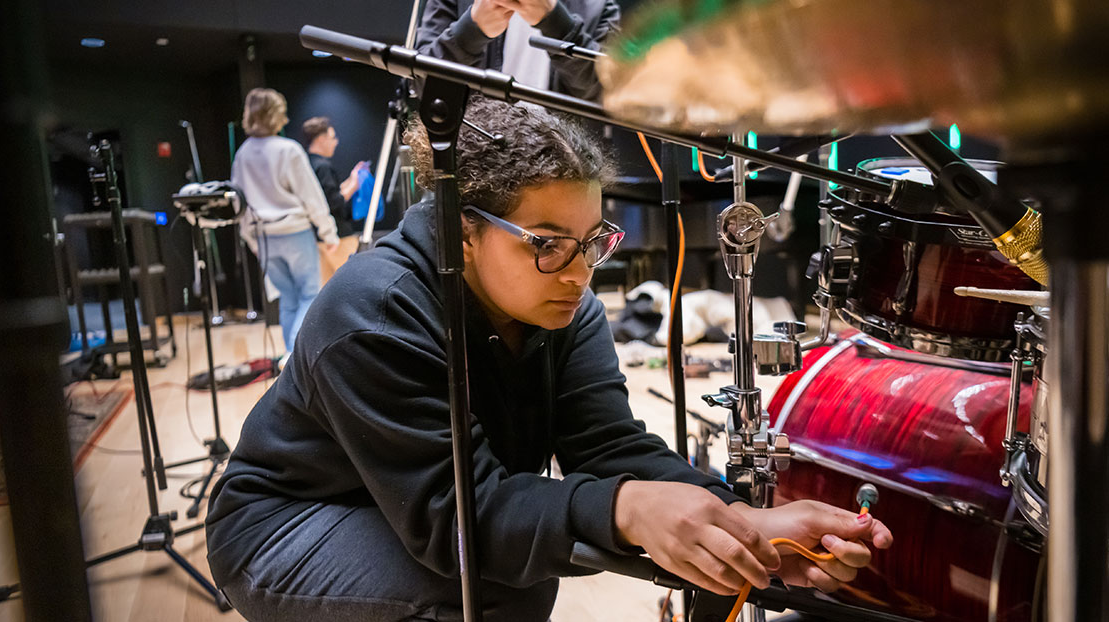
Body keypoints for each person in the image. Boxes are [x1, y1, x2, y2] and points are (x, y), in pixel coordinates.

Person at [206, 97, 891, 622]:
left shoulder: (565, 302)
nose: (579, 273)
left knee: (517, 578)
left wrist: (743, 520)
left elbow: (606, 442)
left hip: (417, 509)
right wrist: (626, 508)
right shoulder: (375, 314)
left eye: (593, 240)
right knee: (498, 590)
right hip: (288, 522)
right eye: (547, 242)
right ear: (463, 230)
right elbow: (458, 519)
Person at [231, 88, 339, 354]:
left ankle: (289, 360)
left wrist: (250, 239)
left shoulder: (242, 154)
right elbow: (311, 195)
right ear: (277, 114)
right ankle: (294, 358)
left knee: (288, 301)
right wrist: (328, 232)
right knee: (308, 296)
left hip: (264, 238)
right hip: (295, 233)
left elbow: (238, 202)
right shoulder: (288, 150)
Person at [415, 0, 620, 100]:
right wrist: (471, 30)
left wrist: (556, 22)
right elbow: (424, 84)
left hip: (562, 169)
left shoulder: (598, 4)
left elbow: (605, 91)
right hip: (475, 161)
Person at [302, 116, 369, 285]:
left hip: (317, 238)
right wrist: (354, 185)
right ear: (321, 139)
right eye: (333, 138)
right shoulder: (323, 166)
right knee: (354, 284)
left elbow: (326, 196)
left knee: (327, 289)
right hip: (338, 236)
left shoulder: (307, 163)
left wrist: (350, 181)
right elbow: (333, 203)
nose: (336, 142)